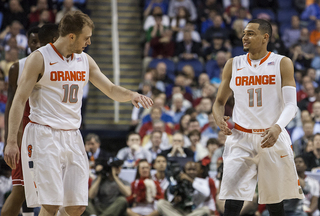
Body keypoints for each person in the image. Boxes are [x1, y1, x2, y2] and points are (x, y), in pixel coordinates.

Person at [4, 11, 153, 216]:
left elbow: (109, 89)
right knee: (51, 204)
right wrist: (11, 141)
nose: (89, 42)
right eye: (86, 37)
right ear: (71, 36)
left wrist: (131, 95)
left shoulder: (85, 60)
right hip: (43, 134)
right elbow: (19, 101)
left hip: (73, 135)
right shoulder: (39, 59)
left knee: (76, 206)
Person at [212, 19, 304, 216]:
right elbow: (219, 102)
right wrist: (219, 119)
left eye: (251, 33)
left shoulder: (282, 63)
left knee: (274, 201)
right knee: (233, 200)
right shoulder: (233, 64)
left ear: (265, 37)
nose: (245, 37)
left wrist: (278, 127)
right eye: (244, 33)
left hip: (271, 136)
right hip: (241, 137)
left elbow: (291, 105)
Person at [1, 25, 56, 216]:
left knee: (50, 193)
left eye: (39, 41)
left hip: (50, 134)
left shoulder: (59, 64)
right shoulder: (19, 66)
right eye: (32, 41)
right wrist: (10, 140)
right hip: (25, 133)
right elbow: (11, 106)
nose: (36, 45)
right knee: (21, 190)